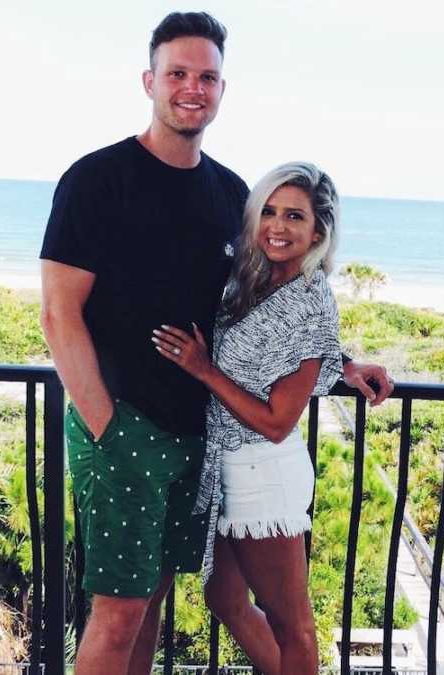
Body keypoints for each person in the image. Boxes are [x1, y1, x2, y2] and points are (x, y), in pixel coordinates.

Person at [39, 12, 394, 675]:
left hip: (196, 440)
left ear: (222, 90)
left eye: (206, 76)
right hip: (121, 429)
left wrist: (340, 363)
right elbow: (60, 316)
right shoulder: (95, 180)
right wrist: (107, 428)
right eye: (177, 73)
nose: (192, 88)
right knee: (116, 616)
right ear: (150, 81)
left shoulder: (233, 194)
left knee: (150, 607)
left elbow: (261, 308)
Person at [154, 161, 343, 674]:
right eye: (270, 212)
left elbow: (279, 419)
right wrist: (347, 362)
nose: (278, 228)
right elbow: (287, 356)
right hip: (233, 466)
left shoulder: (310, 298)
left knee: (293, 625)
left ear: (318, 232)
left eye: (295, 217)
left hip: (264, 471)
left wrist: (202, 369)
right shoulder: (255, 281)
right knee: (223, 597)